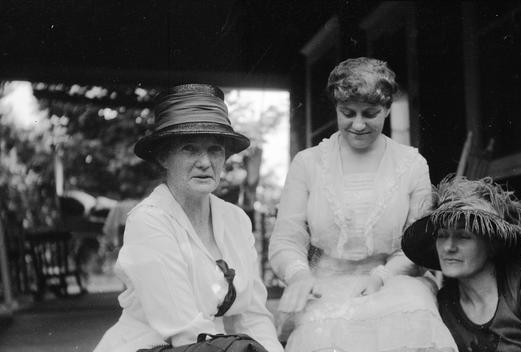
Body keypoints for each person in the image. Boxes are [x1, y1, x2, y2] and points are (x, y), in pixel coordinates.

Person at [268, 57, 457, 352]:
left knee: (412, 318)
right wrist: (299, 275)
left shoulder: (411, 164)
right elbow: (286, 237)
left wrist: (381, 276)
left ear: (388, 109)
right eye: (347, 113)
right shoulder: (308, 163)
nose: (358, 124)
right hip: (324, 285)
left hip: (393, 280)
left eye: (370, 113)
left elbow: (419, 244)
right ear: (336, 109)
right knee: (322, 333)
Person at [94, 84, 283, 352]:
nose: (205, 161)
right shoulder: (149, 222)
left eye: (215, 149)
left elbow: (253, 316)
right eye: (190, 149)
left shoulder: (236, 220)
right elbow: (185, 331)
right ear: (163, 157)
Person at [402, 175, 521, 352]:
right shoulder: (445, 304)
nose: (448, 247)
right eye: (442, 236)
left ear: (493, 245)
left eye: (463, 236)